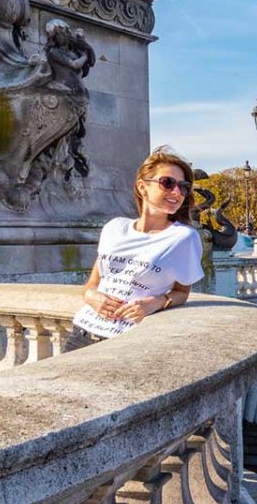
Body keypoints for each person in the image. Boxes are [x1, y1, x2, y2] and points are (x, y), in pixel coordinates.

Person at [65, 146, 204, 351]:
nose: (177, 192)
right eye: (167, 183)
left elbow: (182, 293)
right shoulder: (114, 227)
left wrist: (155, 303)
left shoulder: (183, 238)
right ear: (142, 187)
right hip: (82, 332)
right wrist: (92, 297)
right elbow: (92, 284)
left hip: (127, 342)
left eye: (183, 187)